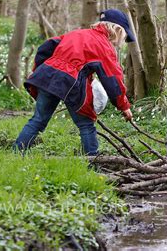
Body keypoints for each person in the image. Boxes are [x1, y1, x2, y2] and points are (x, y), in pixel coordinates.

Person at [14, 9, 134, 156]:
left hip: (48, 75)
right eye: (123, 36)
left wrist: (40, 72)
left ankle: (16, 154)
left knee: (38, 120)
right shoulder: (104, 46)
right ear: (117, 30)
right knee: (86, 124)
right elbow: (112, 79)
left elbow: (45, 48)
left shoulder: (77, 33)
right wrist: (124, 106)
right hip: (71, 82)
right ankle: (92, 162)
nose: (121, 42)